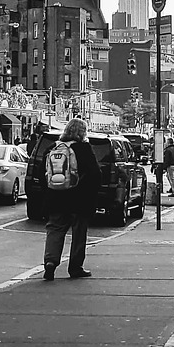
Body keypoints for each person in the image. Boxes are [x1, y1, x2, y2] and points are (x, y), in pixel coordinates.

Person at [43, 118, 100, 281]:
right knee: (78, 233)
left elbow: (44, 174)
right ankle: (75, 267)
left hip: (56, 198)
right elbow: (95, 174)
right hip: (79, 200)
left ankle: (50, 262)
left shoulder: (52, 148)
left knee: (54, 230)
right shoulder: (83, 149)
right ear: (82, 133)